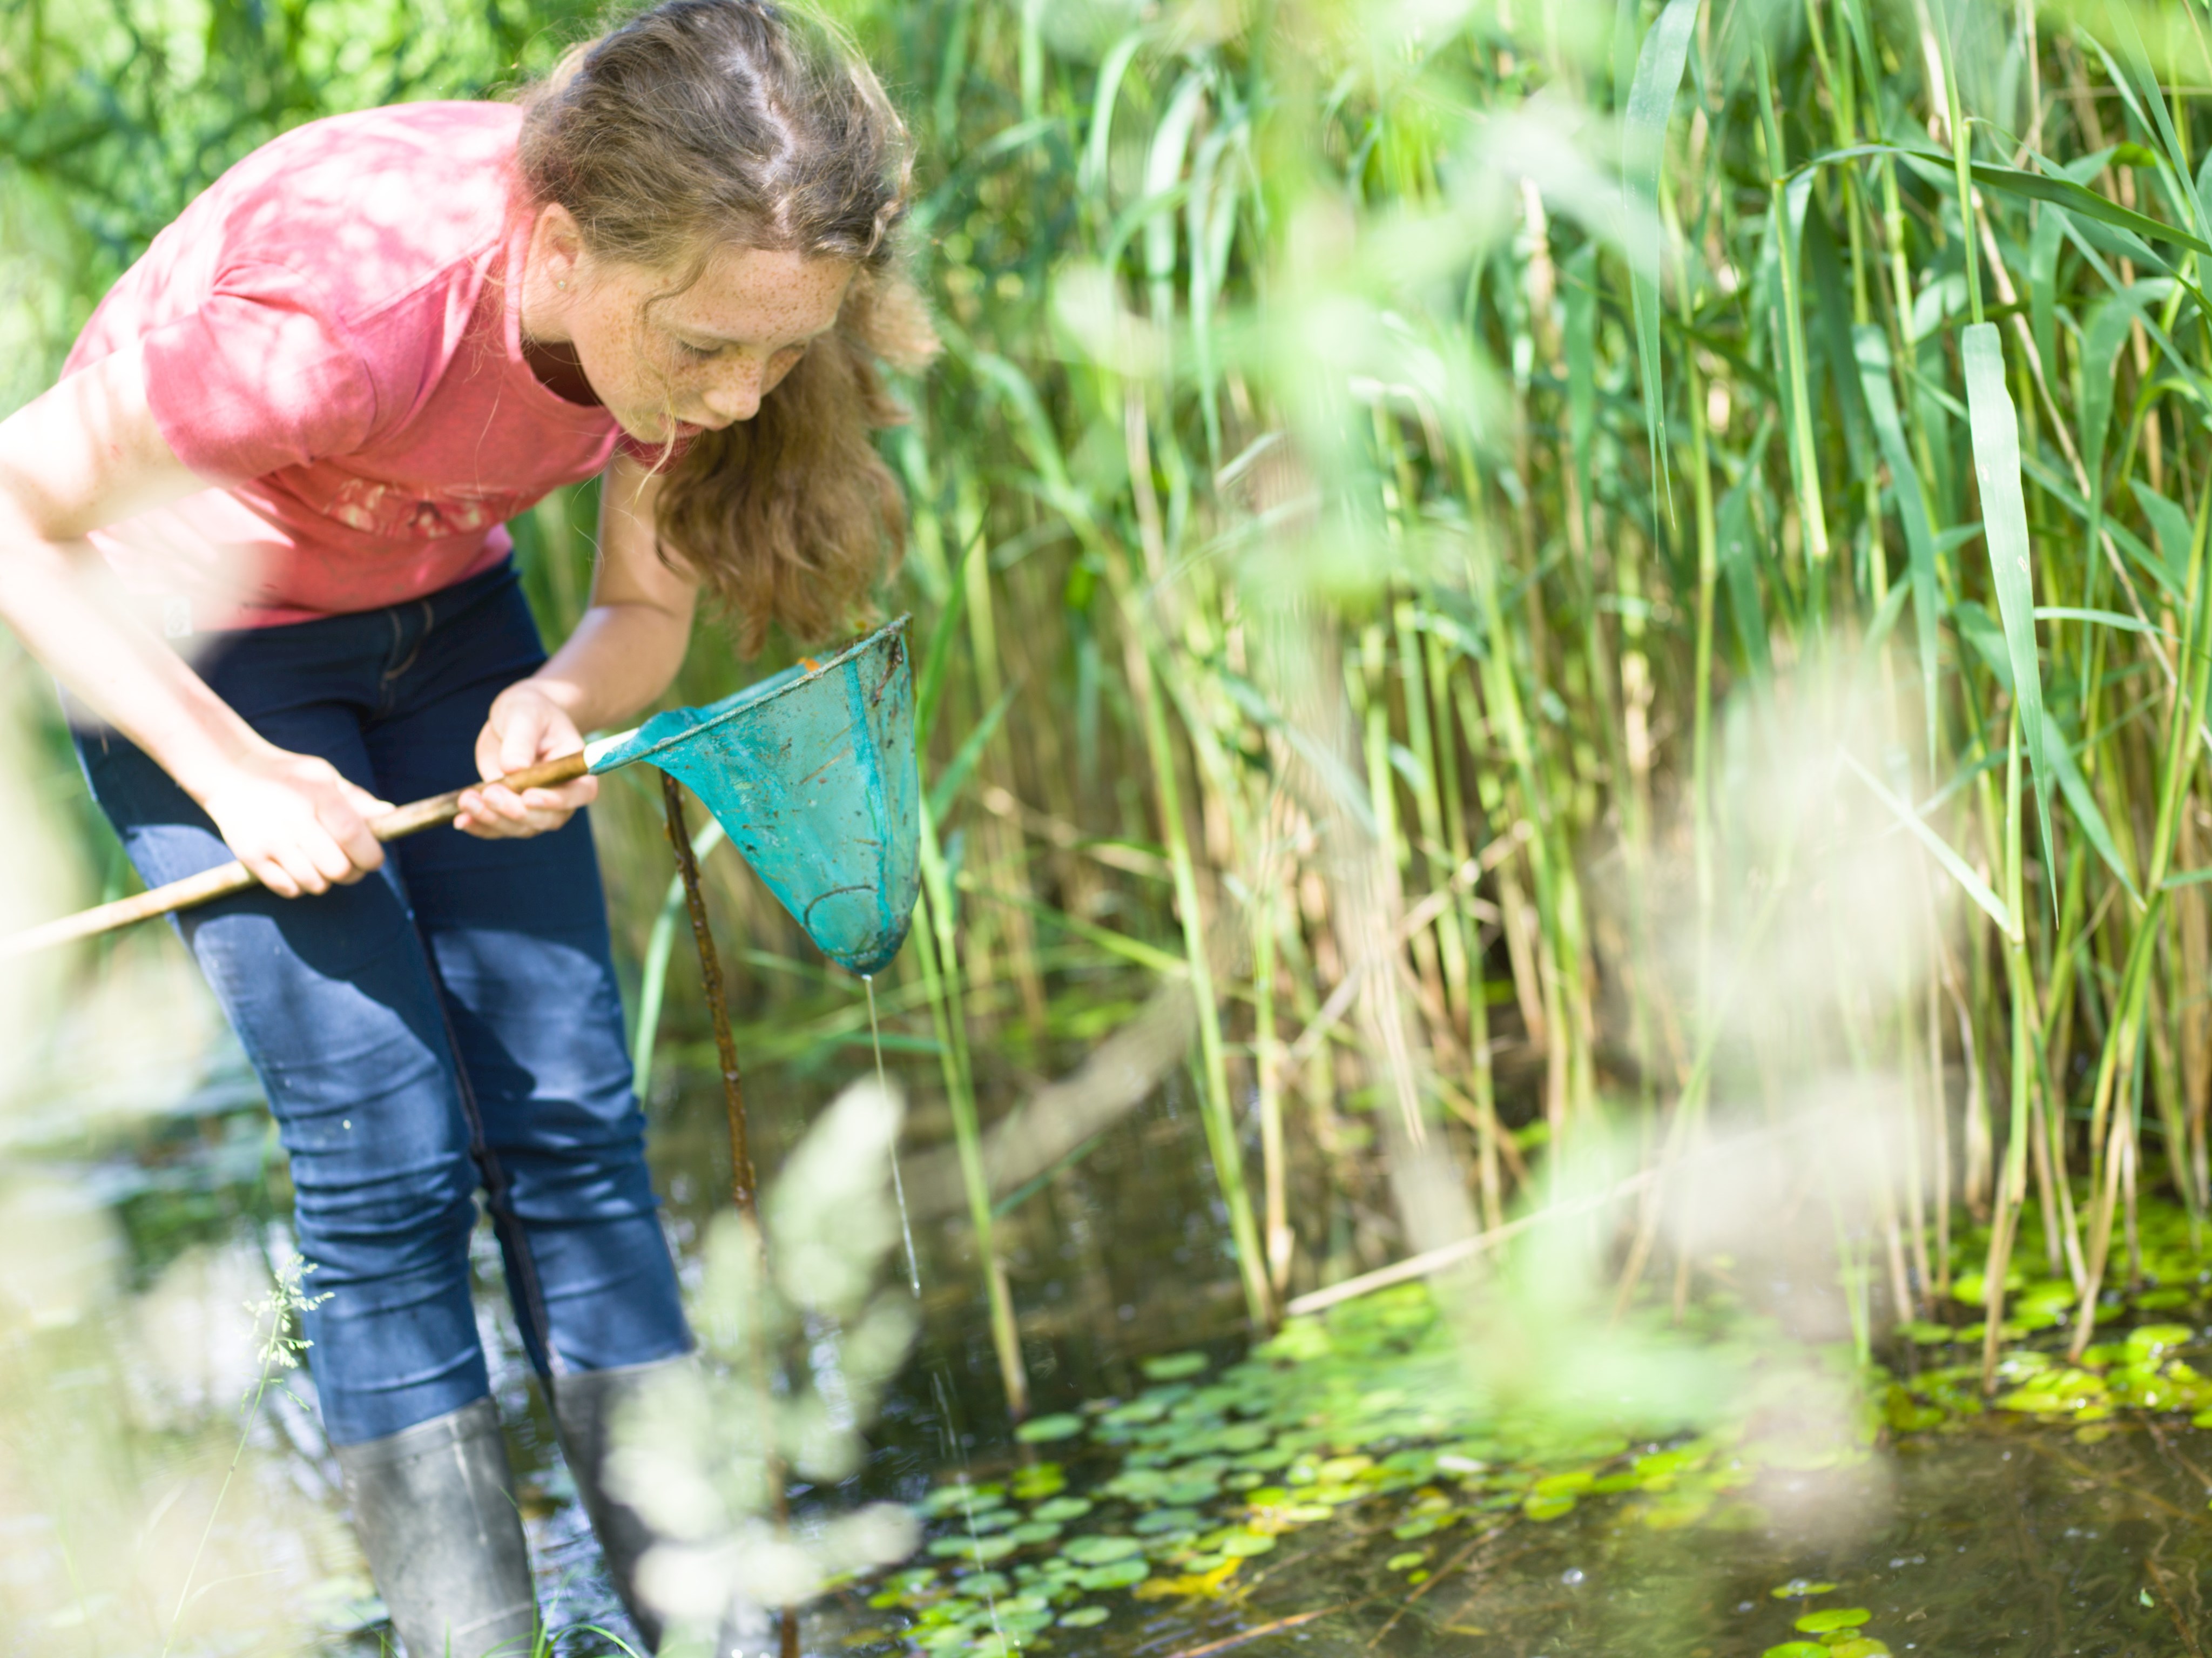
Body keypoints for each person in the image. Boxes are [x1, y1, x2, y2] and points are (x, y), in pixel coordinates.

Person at [0, 1, 935, 1650]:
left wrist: (559, 707)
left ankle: (709, 1622)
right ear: (563, 247)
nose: (734, 398)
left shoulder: (706, 287)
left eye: (782, 353)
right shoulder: (346, 320)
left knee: (574, 1121)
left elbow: (637, 613)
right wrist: (237, 776)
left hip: (444, 613)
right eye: (706, 349)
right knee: (389, 1165)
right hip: (200, 643)